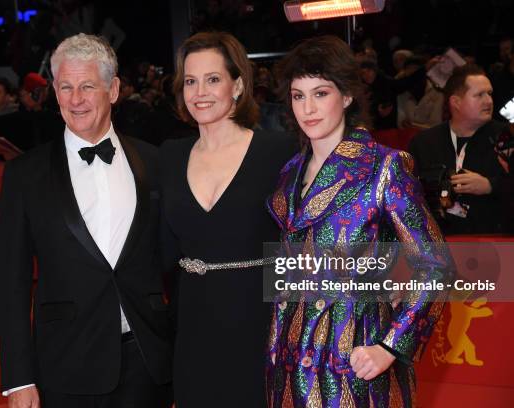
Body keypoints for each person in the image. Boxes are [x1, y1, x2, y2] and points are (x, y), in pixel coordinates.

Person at [266, 36, 452, 407]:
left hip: (355, 357)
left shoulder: (384, 167)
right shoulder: (289, 174)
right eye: (298, 95)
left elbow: (437, 266)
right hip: (288, 355)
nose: (308, 108)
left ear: (347, 96)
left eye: (320, 93)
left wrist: (389, 346)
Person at [0, 33, 173, 408]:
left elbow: (174, 260)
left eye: (87, 86)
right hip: (65, 365)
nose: (75, 100)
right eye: (65, 87)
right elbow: (10, 282)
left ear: (113, 90)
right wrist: (18, 379)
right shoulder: (24, 175)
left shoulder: (155, 163)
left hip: (148, 362)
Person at [159, 31, 296, 408]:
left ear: (238, 85)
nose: (199, 91)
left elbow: (305, 238)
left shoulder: (279, 151)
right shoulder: (169, 156)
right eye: (190, 81)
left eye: (213, 79)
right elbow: (160, 250)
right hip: (192, 326)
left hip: (260, 321)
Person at [409, 64, 511, 234]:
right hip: (439, 242)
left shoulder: (507, 138)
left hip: (494, 240)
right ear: (456, 102)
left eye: (490, 93)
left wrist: (490, 185)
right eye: (479, 95)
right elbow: (407, 193)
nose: (489, 100)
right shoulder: (424, 142)